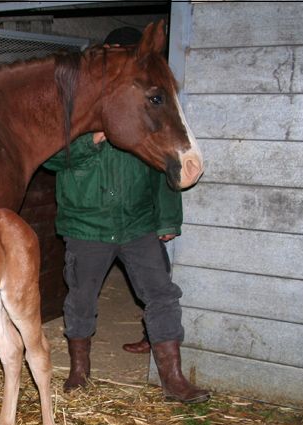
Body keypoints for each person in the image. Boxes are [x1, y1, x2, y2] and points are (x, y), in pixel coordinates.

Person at [43, 27, 210, 404]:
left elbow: (162, 169)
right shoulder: (76, 103)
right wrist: (91, 141)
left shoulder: (143, 108)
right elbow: (50, 158)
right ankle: (79, 370)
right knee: (81, 298)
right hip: (88, 225)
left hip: (138, 224)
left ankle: (173, 378)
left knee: (162, 294)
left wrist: (168, 220)